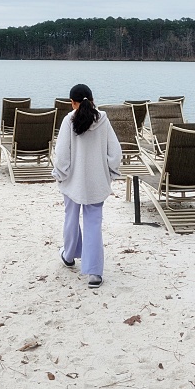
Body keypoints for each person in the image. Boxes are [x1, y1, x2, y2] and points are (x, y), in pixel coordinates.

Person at [52, 83, 121, 288]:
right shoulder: (103, 120)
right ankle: (94, 273)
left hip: (72, 181)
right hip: (97, 182)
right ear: (92, 99)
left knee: (71, 218)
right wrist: (110, 173)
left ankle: (69, 255)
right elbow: (115, 152)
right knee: (93, 223)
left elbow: (62, 155)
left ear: (72, 102)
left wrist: (59, 174)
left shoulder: (68, 120)